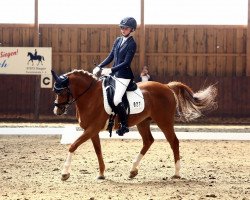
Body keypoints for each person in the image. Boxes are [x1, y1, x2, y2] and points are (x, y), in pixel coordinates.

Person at [92, 17, 137, 136]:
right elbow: (111, 56)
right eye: (121, 27)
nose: (123, 30)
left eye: (125, 28)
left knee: (117, 99)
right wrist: (100, 66)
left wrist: (111, 69)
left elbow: (126, 63)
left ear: (131, 29)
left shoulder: (132, 44)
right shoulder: (117, 40)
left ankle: (124, 125)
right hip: (114, 74)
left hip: (124, 76)